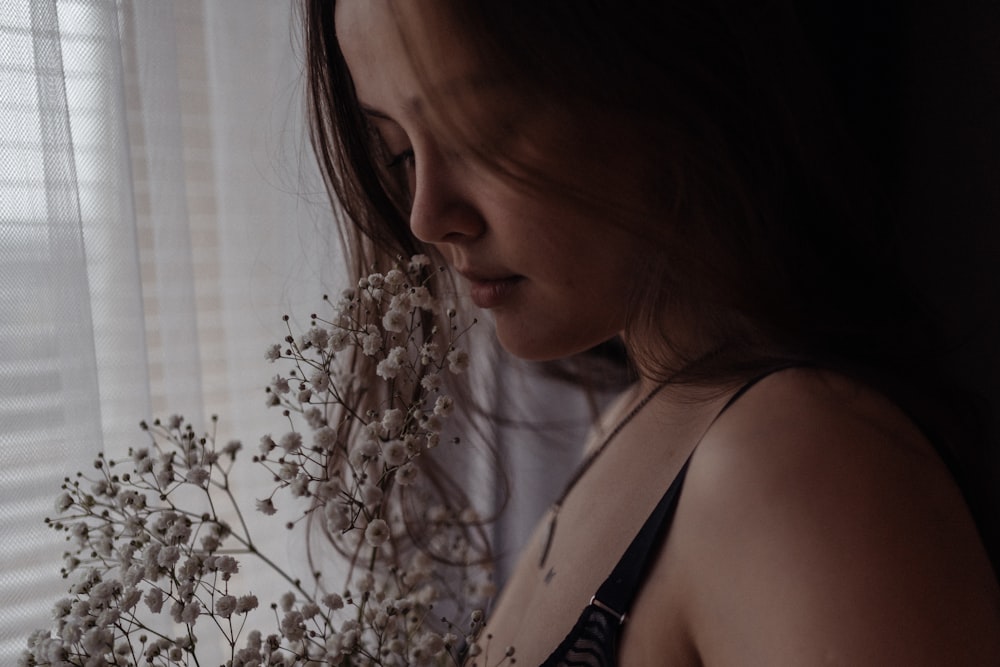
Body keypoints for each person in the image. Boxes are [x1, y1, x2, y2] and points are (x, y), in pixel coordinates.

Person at [302, 1, 1000, 664]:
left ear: (661, 75)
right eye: (399, 152)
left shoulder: (793, 468)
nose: (427, 214)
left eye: (478, 128)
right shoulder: (634, 421)